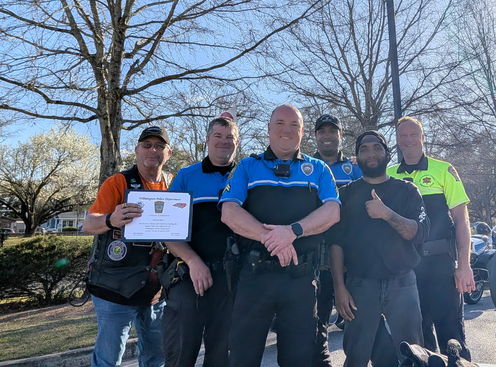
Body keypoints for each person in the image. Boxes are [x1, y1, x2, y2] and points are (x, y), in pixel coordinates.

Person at [220, 104, 341, 367]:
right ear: (268, 129)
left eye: (294, 125)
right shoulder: (248, 166)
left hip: (300, 280)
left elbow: (332, 211)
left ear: (302, 131)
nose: (287, 130)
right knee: (242, 359)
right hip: (254, 278)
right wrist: (272, 238)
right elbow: (229, 212)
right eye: (280, 123)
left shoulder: (318, 168)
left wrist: (292, 232)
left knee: (298, 360)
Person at [329, 130, 429, 367]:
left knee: (414, 355)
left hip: (402, 283)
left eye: (377, 147)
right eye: (364, 149)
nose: (371, 153)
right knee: (356, 356)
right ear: (357, 157)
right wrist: (339, 288)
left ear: (387, 153)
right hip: (360, 285)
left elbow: (417, 232)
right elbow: (335, 244)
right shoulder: (346, 194)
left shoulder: (407, 190)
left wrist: (386, 213)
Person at [84, 126, 173, 367]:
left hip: (155, 289)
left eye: (159, 146)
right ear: (136, 150)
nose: (152, 150)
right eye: (147, 145)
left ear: (169, 153)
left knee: (156, 357)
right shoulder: (118, 182)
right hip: (114, 288)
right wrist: (110, 219)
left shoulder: (174, 185)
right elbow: (88, 224)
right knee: (108, 360)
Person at [387, 116, 474, 360]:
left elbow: (462, 221)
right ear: (397, 140)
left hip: (441, 265)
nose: (408, 139)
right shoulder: (389, 174)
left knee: (452, 337)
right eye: (403, 135)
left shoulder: (443, 170)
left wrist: (464, 265)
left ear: (423, 137)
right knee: (418, 341)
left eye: (413, 134)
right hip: (407, 267)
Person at [162, 115, 239, 367]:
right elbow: (168, 231)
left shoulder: (245, 175)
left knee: (221, 358)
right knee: (180, 356)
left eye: (229, 137)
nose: (223, 141)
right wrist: (194, 262)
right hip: (189, 277)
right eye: (217, 136)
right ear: (207, 140)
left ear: (237, 143)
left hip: (231, 281)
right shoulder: (186, 176)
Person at [312, 113, 362, 367]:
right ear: (315, 136)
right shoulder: (306, 166)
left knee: (357, 320)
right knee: (316, 323)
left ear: (341, 135)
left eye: (333, 131)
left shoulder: (355, 168)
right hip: (316, 259)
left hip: (351, 259)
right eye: (322, 131)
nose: (327, 136)